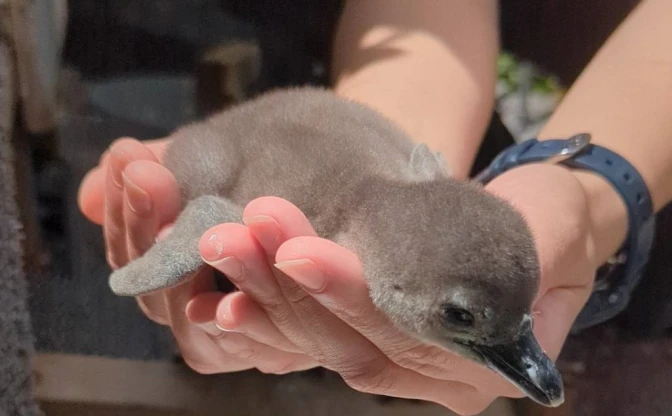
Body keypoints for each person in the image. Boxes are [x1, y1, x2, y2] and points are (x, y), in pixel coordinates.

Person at [77, 1, 672, 414]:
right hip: (279, 141)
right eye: (460, 317)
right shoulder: (327, 228)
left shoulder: (403, 199)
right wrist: (172, 254)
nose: (532, 358)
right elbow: (212, 213)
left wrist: (586, 195)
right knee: (215, 221)